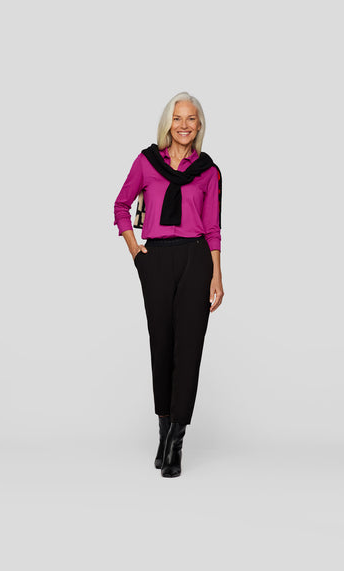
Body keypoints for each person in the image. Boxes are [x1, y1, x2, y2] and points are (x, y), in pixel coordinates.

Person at [113, 91, 224, 477]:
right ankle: (163, 432)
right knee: (161, 345)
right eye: (178, 118)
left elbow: (213, 226)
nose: (184, 125)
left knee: (188, 348)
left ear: (199, 125)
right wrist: (136, 252)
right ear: (168, 123)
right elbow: (121, 205)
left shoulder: (208, 171)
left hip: (196, 259)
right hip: (157, 259)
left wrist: (217, 274)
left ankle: (176, 440)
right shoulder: (147, 162)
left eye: (191, 119)